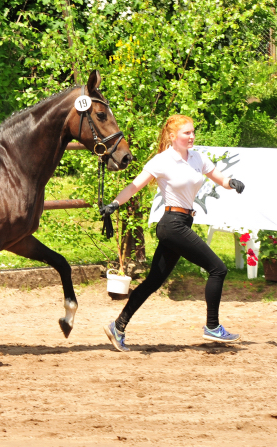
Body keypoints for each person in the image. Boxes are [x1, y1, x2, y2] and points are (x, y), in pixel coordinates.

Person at [100, 114, 245, 352]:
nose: (192, 136)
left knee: (153, 282)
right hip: (172, 225)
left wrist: (233, 183)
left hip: (182, 224)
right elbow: (134, 186)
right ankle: (212, 326)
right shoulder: (162, 161)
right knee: (218, 268)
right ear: (172, 136)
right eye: (187, 132)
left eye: (193, 132)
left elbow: (219, 178)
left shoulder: (197, 157)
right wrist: (115, 204)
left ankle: (118, 326)